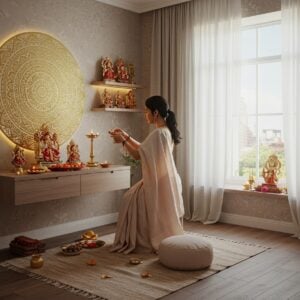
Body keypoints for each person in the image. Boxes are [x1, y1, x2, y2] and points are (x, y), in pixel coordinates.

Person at [109, 95, 184, 254]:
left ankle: (138, 239)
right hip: (166, 180)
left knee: (129, 198)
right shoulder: (165, 131)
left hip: (159, 183)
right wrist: (126, 136)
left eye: (146, 111)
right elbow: (144, 148)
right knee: (130, 196)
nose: (145, 115)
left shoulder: (158, 134)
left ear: (155, 113)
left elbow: (137, 154)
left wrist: (122, 141)